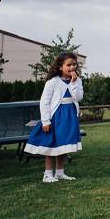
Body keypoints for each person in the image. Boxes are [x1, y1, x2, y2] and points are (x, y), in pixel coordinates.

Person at [24, 52, 83, 183]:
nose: (72, 67)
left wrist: (73, 83)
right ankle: (47, 174)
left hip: (69, 117)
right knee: (51, 145)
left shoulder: (77, 80)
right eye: (69, 65)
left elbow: (78, 97)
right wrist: (46, 121)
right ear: (61, 67)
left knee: (62, 145)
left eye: (74, 64)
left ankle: (60, 173)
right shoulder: (53, 82)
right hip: (56, 116)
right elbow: (44, 102)